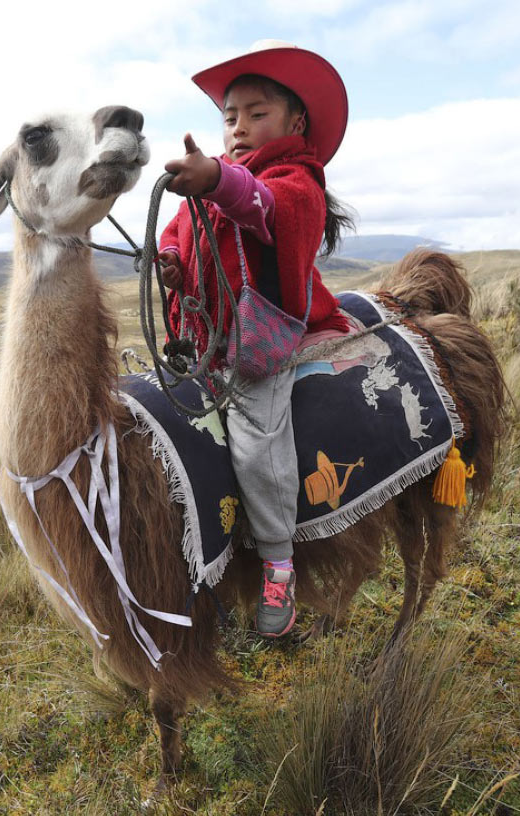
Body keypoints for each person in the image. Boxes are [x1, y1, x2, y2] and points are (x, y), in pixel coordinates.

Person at [158, 41, 354, 639]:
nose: (239, 127)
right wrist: (169, 259)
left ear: (295, 123)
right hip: (213, 339)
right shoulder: (212, 186)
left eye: (256, 113)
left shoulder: (295, 180)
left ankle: (276, 562)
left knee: (254, 433)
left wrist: (217, 178)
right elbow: (178, 231)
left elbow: (267, 208)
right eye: (230, 116)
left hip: (263, 340)